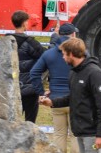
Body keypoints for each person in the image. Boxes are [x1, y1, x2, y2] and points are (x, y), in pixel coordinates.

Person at [40, 38, 101, 153]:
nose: (63, 58)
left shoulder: (95, 73)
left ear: (71, 54)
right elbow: (73, 97)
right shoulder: (73, 73)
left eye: (64, 54)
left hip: (93, 133)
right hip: (80, 131)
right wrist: (52, 102)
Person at [31, 22, 78, 153]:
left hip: (55, 99)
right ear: (73, 35)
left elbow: (34, 73)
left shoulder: (49, 54)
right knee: (76, 135)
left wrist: (41, 92)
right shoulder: (80, 54)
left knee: (59, 134)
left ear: (58, 34)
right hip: (76, 99)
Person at [10, 10, 44, 123]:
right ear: (25, 23)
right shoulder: (31, 43)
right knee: (30, 122)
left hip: (11, 87)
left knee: (12, 122)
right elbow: (45, 57)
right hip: (30, 87)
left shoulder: (5, 41)